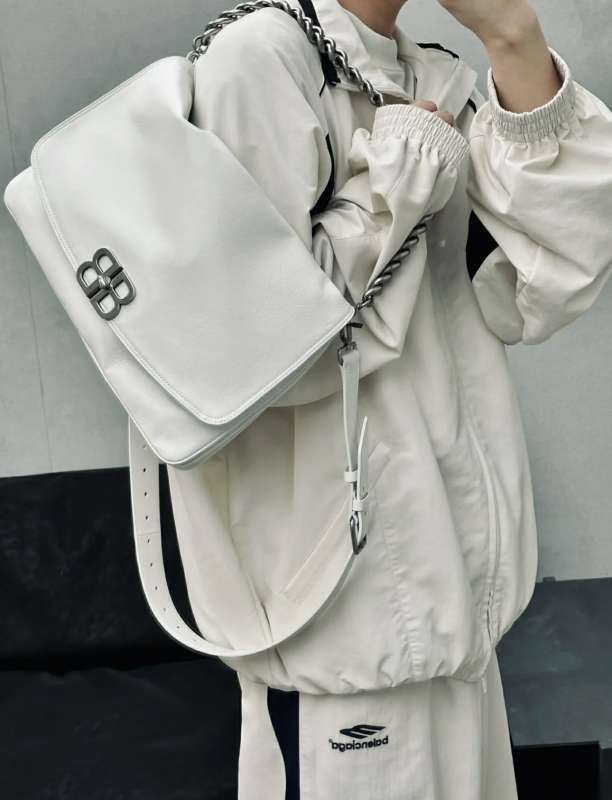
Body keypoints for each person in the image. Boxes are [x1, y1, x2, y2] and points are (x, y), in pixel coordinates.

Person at [166, 0, 612, 796]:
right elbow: (248, 352)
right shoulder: (259, 59)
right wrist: (400, 178)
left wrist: (512, 34)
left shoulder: (426, 70)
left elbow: (549, 281)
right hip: (351, 650)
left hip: (456, 632)